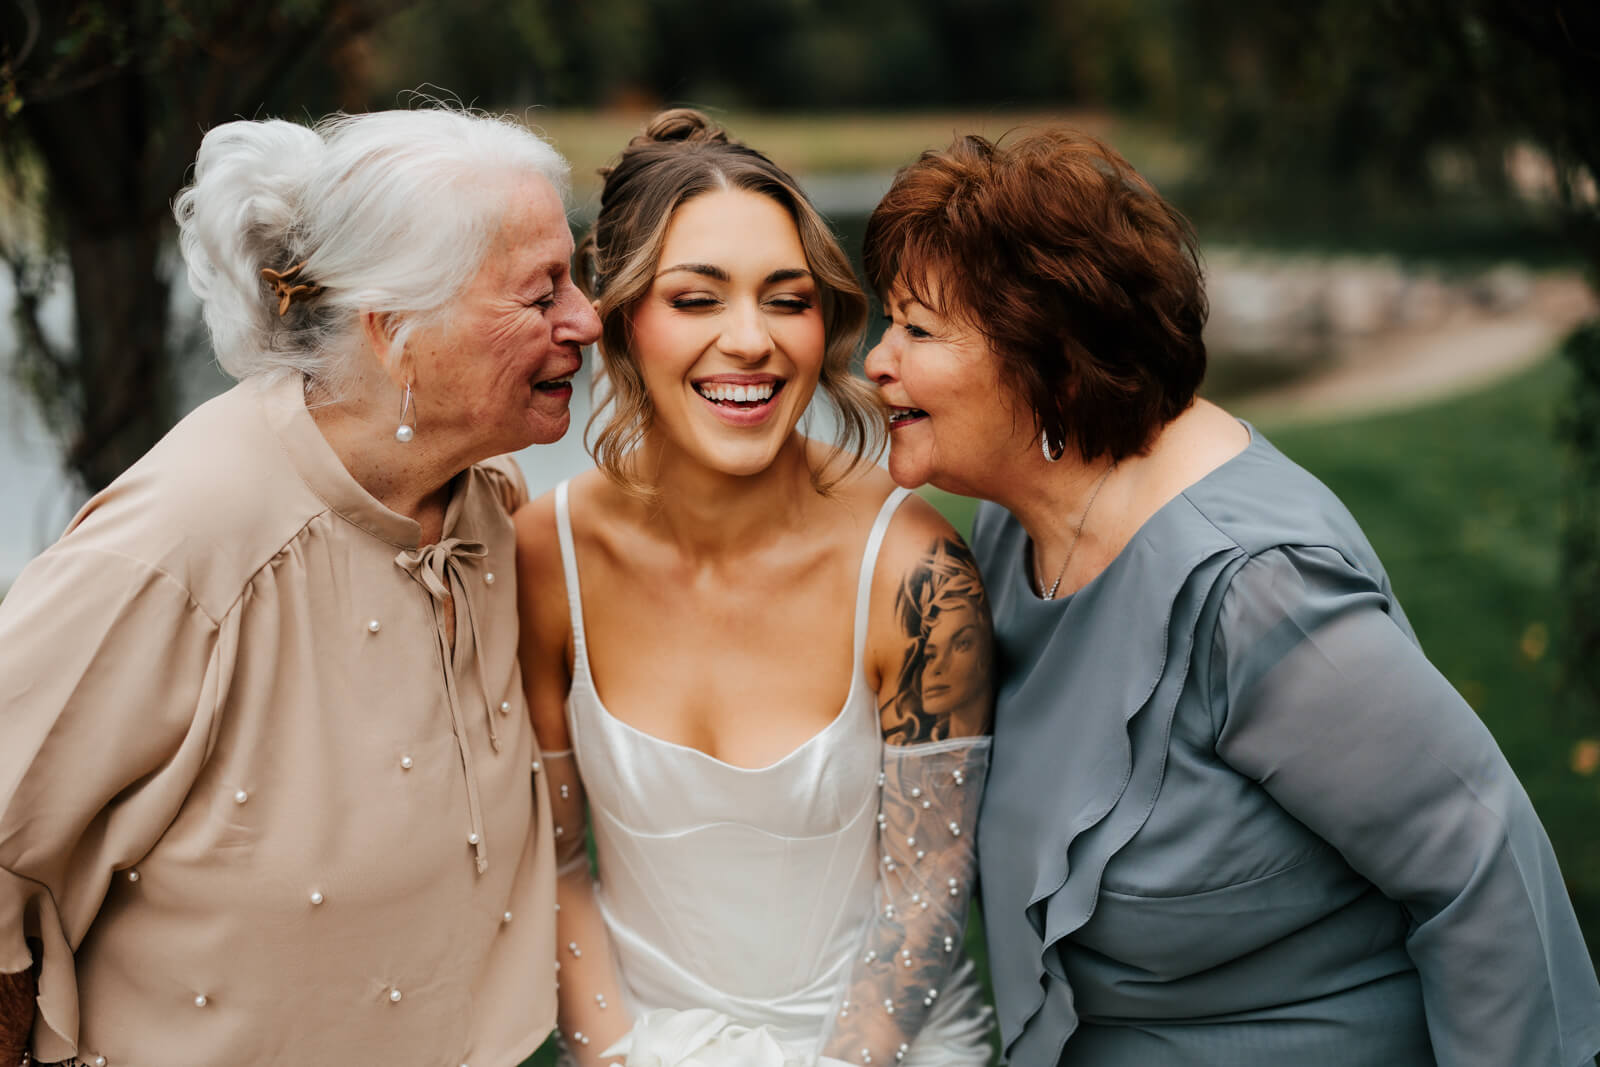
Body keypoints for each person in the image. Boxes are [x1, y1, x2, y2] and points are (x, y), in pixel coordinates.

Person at [861, 128, 1600, 1066]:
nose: (877, 361)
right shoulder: (1014, 526)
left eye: (917, 331)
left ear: (1050, 362)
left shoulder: (1254, 586)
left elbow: (1484, 870)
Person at [0, 105, 600, 1066]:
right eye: (543, 295)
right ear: (396, 329)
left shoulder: (489, 498)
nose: (588, 319)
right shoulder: (181, 541)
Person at [514, 109, 995, 1067]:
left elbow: (927, 893)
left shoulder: (914, 570)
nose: (751, 342)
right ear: (619, 317)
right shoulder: (544, 555)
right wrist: (618, 1057)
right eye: (696, 301)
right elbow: (557, 866)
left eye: (787, 299)